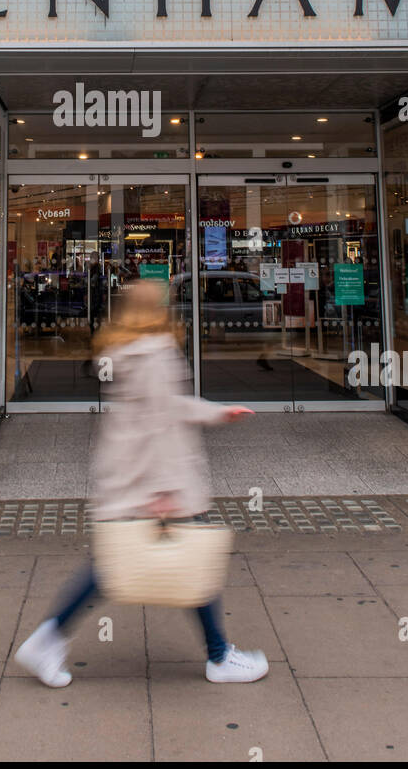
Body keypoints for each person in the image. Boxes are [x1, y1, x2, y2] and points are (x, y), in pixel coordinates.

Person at [14, 279, 268, 686]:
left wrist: (218, 413)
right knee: (190, 563)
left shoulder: (126, 352)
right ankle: (219, 656)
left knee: (116, 568)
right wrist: (164, 490)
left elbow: (163, 408)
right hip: (153, 480)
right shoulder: (154, 355)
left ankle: (48, 639)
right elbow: (159, 424)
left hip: (128, 476)